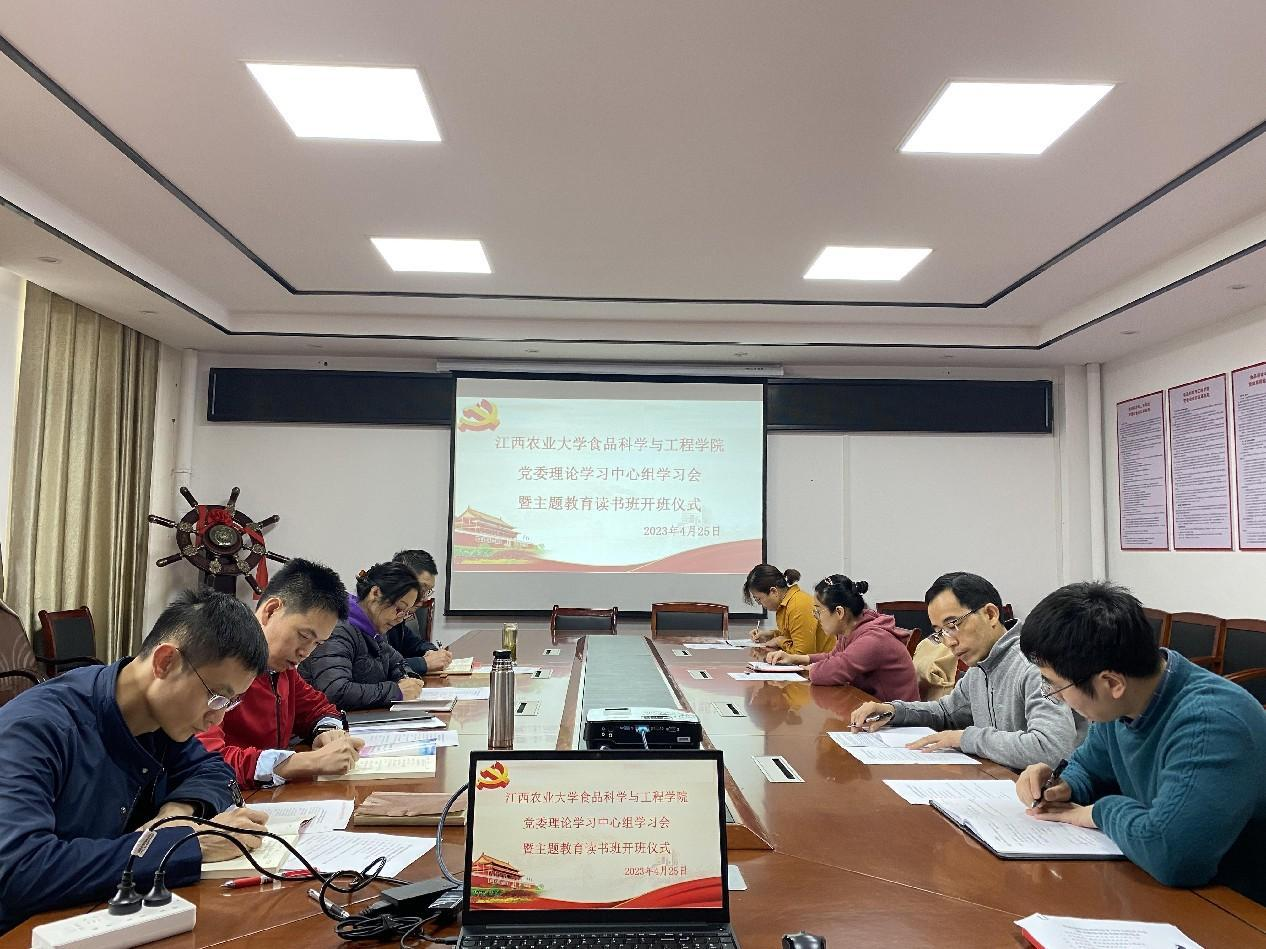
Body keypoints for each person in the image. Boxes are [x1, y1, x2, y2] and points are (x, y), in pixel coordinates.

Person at [0, 590, 272, 934]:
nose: (217, 718)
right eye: (216, 696)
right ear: (165, 662)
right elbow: (20, 870)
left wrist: (176, 814)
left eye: (229, 703)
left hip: (106, 914)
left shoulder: (160, 720)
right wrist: (186, 844)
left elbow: (214, 771)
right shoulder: (36, 728)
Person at [1015, 582, 1266, 901]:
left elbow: (1174, 855)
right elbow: (1089, 767)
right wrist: (1063, 786)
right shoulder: (1123, 702)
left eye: (1056, 686)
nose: (1057, 697)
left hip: (1236, 904)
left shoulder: (1212, 722)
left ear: (1111, 683)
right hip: (1159, 885)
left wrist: (1098, 812)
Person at [850, 571, 1083, 771]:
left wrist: (966, 738)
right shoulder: (980, 666)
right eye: (940, 632)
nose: (948, 642)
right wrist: (894, 711)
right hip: (1000, 783)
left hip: (1053, 797)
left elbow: (1051, 749)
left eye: (953, 625)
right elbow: (947, 712)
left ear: (990, 614)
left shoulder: (1034, 665)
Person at [198, 559, 365, 787]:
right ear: (271, 610)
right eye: (304, 636)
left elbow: (317, 708)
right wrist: (301, 763)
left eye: (317, 643)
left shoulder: (281, 669)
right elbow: (205, 762)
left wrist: (328, 731)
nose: (305, 652)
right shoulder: (215, 664)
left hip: (267, 795)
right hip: (226, 799)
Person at [766, 575, 919, 702]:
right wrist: (794, 659)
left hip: (897, 721)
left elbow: (834, 669)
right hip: (872, 709)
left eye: (818, 611)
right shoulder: (851, 629)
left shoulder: (873, 639)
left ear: (839, 612)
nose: (816, 617)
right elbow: (834, 657)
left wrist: (814, 669)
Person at [299, 561, 425, 710]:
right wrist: (396, 691)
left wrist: (408, 679)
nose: (400, 618)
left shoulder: (373, 629)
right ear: (375, 593)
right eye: (399, 608)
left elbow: (398, 663)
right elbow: (335, 691)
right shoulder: (337, 629)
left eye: (406, 613)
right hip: (330, 721)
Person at [742, 564, 834, 656]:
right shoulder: (786, 604)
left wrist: (779, 641)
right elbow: (791, 636)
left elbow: (802, 654)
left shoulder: (798, 605)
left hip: (824, 663)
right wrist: (770, 635)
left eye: (758, 599)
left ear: (773, 591)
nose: (759, 604)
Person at [388, 549, 452, 674]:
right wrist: (424, 663)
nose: (424, 598)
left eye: (428, 591)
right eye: (422, 589)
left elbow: (414, 644)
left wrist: (432, 652)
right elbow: (378, 668)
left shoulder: (398, 616)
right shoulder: (372, 617)